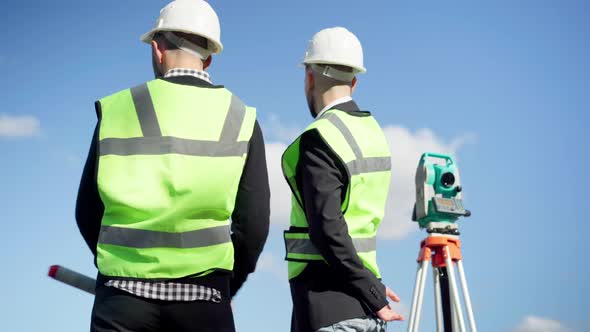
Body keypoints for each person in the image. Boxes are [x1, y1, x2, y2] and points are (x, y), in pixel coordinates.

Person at [75, 1, 270, 331]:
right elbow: (254, 225)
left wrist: (118, 272)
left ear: (156, 49)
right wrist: (225, 288)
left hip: (122, 299)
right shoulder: (240, 119)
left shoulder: (117, 109)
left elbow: (87, 211)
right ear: (208, 58)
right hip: (205, 301)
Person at [282, 27, 403, 332]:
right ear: (354, 82)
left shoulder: (319, 138)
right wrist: (371, 288)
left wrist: (372, 291)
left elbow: (328, 230)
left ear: (309, 77)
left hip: (328, 309)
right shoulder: (374, 134)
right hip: (366, 311)